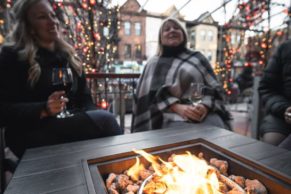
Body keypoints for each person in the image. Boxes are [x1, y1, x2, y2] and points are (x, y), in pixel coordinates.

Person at [0, 0, 123, 158]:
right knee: (106, 121)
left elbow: (85, 100)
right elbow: (3, 110)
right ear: (29, 27)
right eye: (42, 17)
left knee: (103, 124)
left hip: (69, 125)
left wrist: (91, 118)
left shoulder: (68, 56)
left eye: (53, 15)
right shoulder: (12, 56)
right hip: (31, 133)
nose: (53, 21)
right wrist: (43, 109)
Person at [132, 18, 232, 132]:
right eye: (167, 29)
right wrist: (176, 107)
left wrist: (205, 106)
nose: (172, 31)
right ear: (161, 38)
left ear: (183, 34)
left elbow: (214, 89)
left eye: (176, 28)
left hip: (202, 113)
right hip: (165, 116)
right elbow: (148, 99)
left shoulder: (197, 58)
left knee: (217, 132)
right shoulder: (153, 63)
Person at [258, 40, 291, 146]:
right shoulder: (285, 48)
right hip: (282, 114)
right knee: (272, 146)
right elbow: (266, 88)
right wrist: (284, 109)